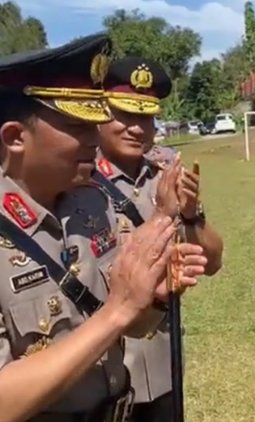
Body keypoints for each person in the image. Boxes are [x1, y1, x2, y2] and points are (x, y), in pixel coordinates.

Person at [0, 34, 206, 422]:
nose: (95, 140)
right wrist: (119, 309)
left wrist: (153, 298)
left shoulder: (91, 202)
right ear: (14, 138)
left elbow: (126, 326)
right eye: (77, 127)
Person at [92, 56, 224, 422]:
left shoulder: (166, 171)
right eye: (125, 115)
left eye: (146, 117)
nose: (138, 128)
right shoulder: (78, 178)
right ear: (101, 112)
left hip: (164, 359)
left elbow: (212, 263)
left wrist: (192, 212)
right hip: (105, 366)